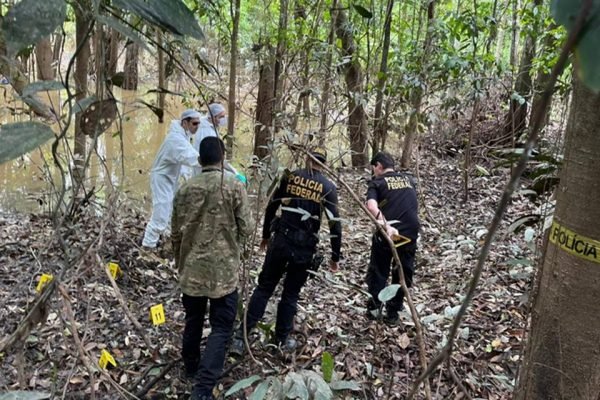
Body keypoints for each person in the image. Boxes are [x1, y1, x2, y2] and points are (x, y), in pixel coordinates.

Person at [232, 148, 342, 354]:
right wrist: (335, 257)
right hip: (304, 248)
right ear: (324, 163)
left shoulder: (290, 177)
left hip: (281, 241)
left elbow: (272, 206)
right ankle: (282, 340)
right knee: (290, 294)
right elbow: (335, 224)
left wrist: (265, 235)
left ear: (307, 159)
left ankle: (241, 337)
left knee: (264, 288)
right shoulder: (328, 187)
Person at [172, 137, 252, 400]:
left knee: (193, 318)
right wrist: (236, 249)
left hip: (192, 268)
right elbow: (246, 227)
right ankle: (203, 387)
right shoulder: (233, 186)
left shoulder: (185, 189)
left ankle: (191, 367)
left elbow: (175, 234)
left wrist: (180, 262)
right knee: (221, 327)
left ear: (199, 160)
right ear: (223, 158)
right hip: (224, 273)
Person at [365, 151, 420, 325]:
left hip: (389, 233)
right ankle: (393, 312)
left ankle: (375, 309)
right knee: (402, 272)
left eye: (374, 168)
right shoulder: (409, 180)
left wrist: (384, 224)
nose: (374, 172)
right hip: (409, 233)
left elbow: (371, 205)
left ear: (379, 166)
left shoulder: (378, 182)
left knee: (379, 270)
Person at [141, 109, 201, 249]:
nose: (197, 126)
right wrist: (213, 160)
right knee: (161, 215)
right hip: (162, 179)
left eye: (199, 123)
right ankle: (147, 247)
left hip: (171, 178)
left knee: (172, 212)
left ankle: (167, 242)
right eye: (194, 123)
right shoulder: (175, 139)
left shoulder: (183, 134)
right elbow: (192, 158)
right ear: (185, 123)